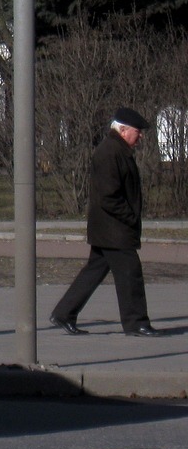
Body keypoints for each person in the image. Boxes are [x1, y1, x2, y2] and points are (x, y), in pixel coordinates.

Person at [50, 107, 164, 337]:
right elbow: (108, 196)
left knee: (94, 271)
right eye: (137, 131)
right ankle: (136, 323)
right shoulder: (110, 153)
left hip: (110, 228)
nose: (140, 136)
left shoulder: (117, 150)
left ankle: (64, 313)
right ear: (123, 130)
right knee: (131, 273)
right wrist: (130, 217)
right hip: (114, 229)